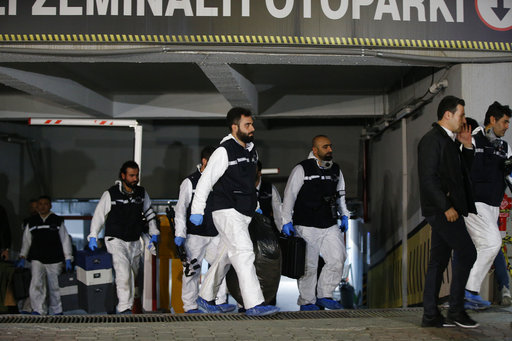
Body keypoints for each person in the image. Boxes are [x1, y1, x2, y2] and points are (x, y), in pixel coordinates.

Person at [189, 107, 279, 316]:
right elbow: (205, 181)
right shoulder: (224, 151)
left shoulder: (251, 151)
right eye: (247, 125)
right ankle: (253, 304)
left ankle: (205, 297)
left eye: (252, 124)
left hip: (244, 212)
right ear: (234, 127)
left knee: (225, 255)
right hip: (227, 210)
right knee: (244, 253)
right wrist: (197, 210)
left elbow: (249, 183)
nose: (252, 128)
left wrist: (255, 205)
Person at [418, 95, 478, 328]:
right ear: (448, 115)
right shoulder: (432, 140)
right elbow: (428, 179)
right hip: (442, 211)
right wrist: (446, 207)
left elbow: (462, 174)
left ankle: (431, 315)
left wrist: (467, 145)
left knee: (439, 261)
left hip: (446, 209)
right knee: (468, 252)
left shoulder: (449, 141)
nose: (463, 119)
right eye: (461, 114)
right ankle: (456, 310)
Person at [281, 135, 349, 311]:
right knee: (308, 266)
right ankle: (307, 301)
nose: (330, 150)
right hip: (306, 225)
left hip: (329, 224)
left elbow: (341, 196)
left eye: (330, 146)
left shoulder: (336, 170)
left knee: (338, 259)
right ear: (315, 150)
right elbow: (289, 196)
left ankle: (325, 295)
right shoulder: (302, 169)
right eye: (325, 147)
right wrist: (286, 221)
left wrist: (345, 215)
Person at [87, 160, 160, 314]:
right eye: (132, 175)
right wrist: (93, 236)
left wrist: (154, 232)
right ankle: (124, 308)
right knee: (123, 273)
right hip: (115, 239)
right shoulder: (111, 194)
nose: (135, 178)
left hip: (134, 240)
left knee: (132, 275)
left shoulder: (141, 193)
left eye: (137, 175)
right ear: (123, 175)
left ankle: (127, 305)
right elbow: (99, 215)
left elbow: (149, 213)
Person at [174, 146, 235, 313]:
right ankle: (190, 306)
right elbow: (180, 209)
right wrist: (180, 234)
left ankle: (219, 301)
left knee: (220, 266)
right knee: (192, 271)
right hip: (195, 235)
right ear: (204, 161)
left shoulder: (219, 181)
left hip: (215, 233)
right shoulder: (190, 182)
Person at [463, 102, 512, 309]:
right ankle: (469, 292)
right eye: (505, 122)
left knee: (487, 248)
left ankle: (467, 296)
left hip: (493, 206)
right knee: (492, 244)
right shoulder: (472, 140)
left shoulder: (505, 146)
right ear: (492, 120)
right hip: (474, 204)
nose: (507, 126)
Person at [16, 195, 73, 315]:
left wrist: (68, 258)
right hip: (37, 258)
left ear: (50, 205)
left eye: (45, 204)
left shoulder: (57, 220)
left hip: (55, 259)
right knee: (36, 284)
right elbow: (26, 241)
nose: (42, 206)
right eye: (40, 204)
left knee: (55, 287)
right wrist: (22, 256)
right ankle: (38, 310)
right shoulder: (32, 222)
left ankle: (57, 311)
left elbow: (65, 240)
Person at [255, 160, 282, 230]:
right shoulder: (241, 188)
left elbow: (278, 211)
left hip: (265, 230)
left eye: (253, 169)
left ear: (259, 173)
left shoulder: (270, 189)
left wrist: (281, 229)